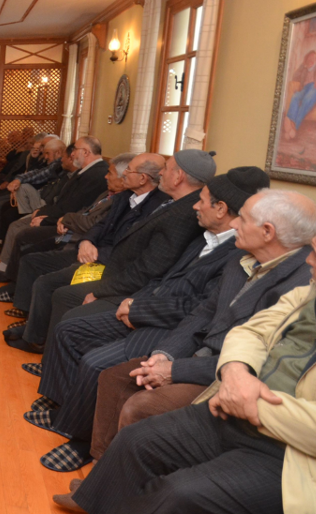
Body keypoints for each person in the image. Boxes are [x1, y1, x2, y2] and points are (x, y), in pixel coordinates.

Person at [64, 210, 316, 514]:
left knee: (179, 493)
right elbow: (251, 331)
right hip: (231, 409)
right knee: (137, 440)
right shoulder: (315, 292)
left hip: (298, 454)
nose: (309, 260)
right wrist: (236, 374)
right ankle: (99, 500)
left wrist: (253, 406)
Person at [29, 168, 276, 473]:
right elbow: (164, 277)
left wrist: (139, 310)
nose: (195, 206)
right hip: (147, 305)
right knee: (69, 329)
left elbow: (197, 309)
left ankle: (79, 439)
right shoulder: (204, 237)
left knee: (96, 363)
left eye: (201, 201)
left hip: (168, 326)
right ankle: (62, 407)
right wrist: (132, 301)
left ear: (221, 209)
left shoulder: (235, 254)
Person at [89, 189, 316, 458]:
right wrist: (165, 355)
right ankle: (101, 468)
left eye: (242, 219)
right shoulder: (242, 259)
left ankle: (121, 478)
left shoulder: (302, 284)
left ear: (267, 232)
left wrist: (175, 370)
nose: (234, 224)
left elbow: (262, 362)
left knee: (141, 406)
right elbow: (202, 313)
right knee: (115, 378)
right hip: (197, 354)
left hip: (226, 376)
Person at [3, 153, 171, 351]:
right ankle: (34, 333)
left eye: (128, 170)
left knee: (55, 287)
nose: (123, 174)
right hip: (89, 250)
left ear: (142, 178)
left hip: (110, 265)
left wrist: (95, 252)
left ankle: (43, 344)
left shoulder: (158, 207)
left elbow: (130, 248)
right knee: (42, 274)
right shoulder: (125, 196)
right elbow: (99, 225)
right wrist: (87, 241)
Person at [0, 138, 109, 282]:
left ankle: (10, 276)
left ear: (85, 152)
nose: (72, 154)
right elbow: (64, 202)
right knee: (17, 224)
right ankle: (7, 271)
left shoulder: (96, 174)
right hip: (60, 217)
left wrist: (45, 219)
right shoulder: (86, 171)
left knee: (23, 234)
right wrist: (43, 212)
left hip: (68, 226)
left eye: (75, 150)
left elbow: (74, 207)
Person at [0, 138, 66, 245]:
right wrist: (32, 159)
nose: (45, 155)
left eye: (47, 153)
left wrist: (18, 180)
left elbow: (39, 175)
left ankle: (24, 216)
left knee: (9, 207)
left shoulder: (59, 165)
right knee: (0, 202)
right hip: (37, 196)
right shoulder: (45, 160)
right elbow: (32, 171)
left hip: (43, 202)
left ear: (58, 153)